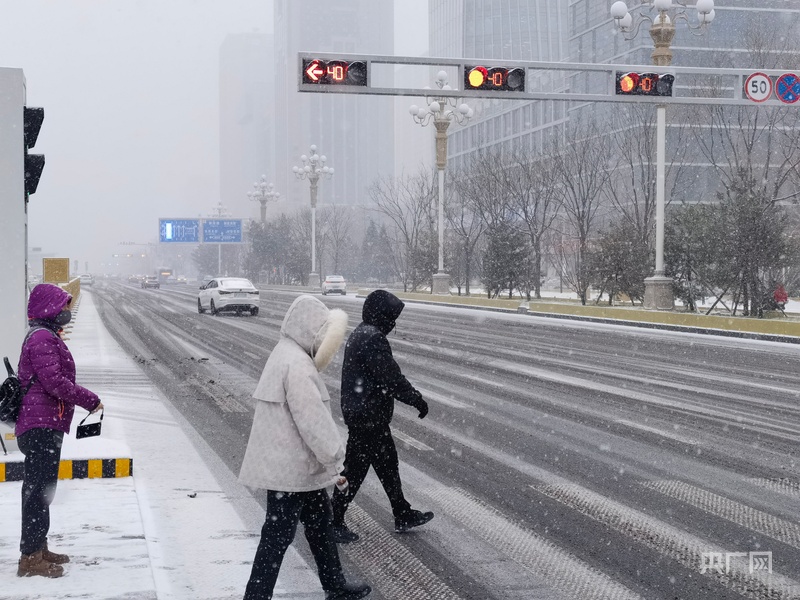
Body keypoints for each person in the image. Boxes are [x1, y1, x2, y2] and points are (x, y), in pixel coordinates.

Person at [239, 294, 370, 600]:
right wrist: (337, 462)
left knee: (319, 526)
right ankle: (256, 595)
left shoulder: (284, 353)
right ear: (312, 332)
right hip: (292, 470)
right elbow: (313, 422)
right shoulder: (298, 365)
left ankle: (334, 584)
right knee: (277, 535)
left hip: (296, 467)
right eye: (323, 337)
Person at [331, 289, 433, 544]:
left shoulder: (362, 332)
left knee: (387, 465)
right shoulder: (372, 338)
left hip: (364, 413)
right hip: (367, 416)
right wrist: (416, 399)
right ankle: (332, 521)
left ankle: (401, 511)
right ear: (382, 316)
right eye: (391, 318)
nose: (393, 324)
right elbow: (391, 378)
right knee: (355, 471)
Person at [15, 283, 103, 578]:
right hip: (39, 424)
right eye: (63, 305)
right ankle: (30, 558)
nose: (66, 311)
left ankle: (38, 547)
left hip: (43, 422)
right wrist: (89, 399)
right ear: (49, 307)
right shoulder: (42, 338)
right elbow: (53, 382)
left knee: (42, 490)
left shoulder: (45, 335)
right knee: (38, 491)